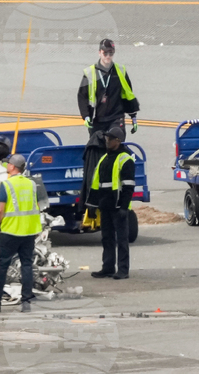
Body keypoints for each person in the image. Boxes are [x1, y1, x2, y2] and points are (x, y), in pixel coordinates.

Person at [78, 38, 140, 214]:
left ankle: (119, 188)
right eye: (105, 53)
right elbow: (82, 96)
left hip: (115, 117)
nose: (108, 56)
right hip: (97, 120)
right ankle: (96, 195)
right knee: (97, 151)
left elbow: (128, 93)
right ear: (99, 53)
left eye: (111, 53)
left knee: (115, 146)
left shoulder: (120, 71)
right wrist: (86, 116)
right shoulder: (90, 73)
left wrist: (133, 116)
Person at [0, 155, 41, 314]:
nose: (6, 165)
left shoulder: (6, 185)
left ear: (12, 167)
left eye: (8, 163)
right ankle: (26, 301)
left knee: (2, 266)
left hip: (10, 231)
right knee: (27, 265)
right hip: (29, 231)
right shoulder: (31, 184)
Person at [86, 127, 136, 280]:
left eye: (110, 138)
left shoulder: (125, 159)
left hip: (118, 206)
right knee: (107, 238)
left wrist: (123, 207)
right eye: (107, 138)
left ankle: (123, 270)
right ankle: (107, 268)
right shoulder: (104, 159)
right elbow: (95, 184)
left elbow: (128, 186)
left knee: (122, 239)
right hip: (105, 205)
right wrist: (92, 207)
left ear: (118, 141)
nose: (107, 141)